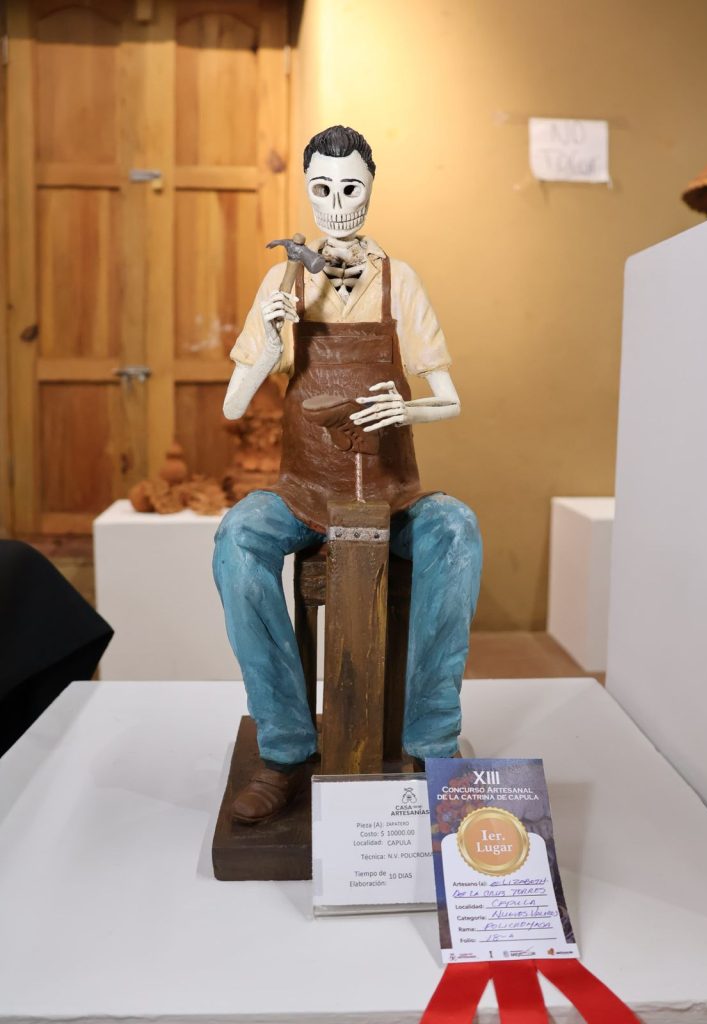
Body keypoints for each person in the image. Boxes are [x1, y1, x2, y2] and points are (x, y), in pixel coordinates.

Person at [214, 126, 482, 823]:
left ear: (371, 188)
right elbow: (234, 405)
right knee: (237, 538)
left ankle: (431, 745)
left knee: (456, 529)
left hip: (389, 493)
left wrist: (409, 409)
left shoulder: (401, 281)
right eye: (323, 189)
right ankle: (285, 747)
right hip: (304, 492)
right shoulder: (284, 281)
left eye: (351, 188)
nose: (337, 204)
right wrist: (268, 342)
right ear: (307, 191)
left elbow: (451, 398)